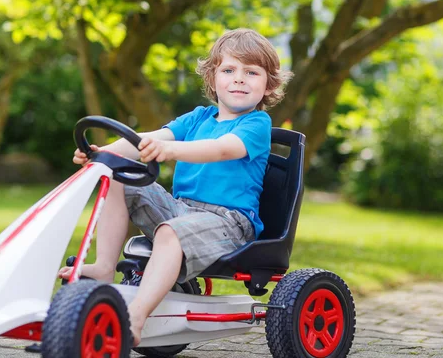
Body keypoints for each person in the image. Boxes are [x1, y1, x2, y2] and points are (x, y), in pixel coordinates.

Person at [58, 28, 293, 346]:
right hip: (182, 210)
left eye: (251, 72)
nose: (239, 79)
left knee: (172, 231)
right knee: (115, 173)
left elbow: (223, 149)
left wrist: (173, 152)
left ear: (268, 84)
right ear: (213, 79)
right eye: (229, 70)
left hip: (229, 222)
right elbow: (148, 139)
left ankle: (135, 318)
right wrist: (102, 154)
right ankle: (103, 268)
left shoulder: (256, 124)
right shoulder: (198, 118)